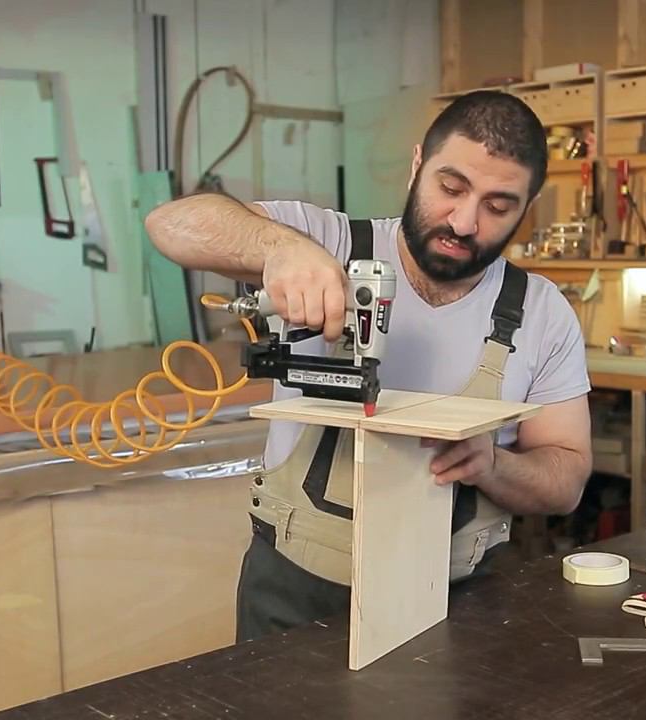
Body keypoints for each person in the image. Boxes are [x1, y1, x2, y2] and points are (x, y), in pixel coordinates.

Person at [146, 90, 593, 643]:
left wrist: (493, 466)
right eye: (450, 188)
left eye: (498, 207)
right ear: (417, 165)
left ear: (528, 206)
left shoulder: (542, 313)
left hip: (456, 601)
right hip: (295, 593)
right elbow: (171, 223)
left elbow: (565, 481)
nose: (464, 221)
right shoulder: (331, 241)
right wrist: (281, 249)